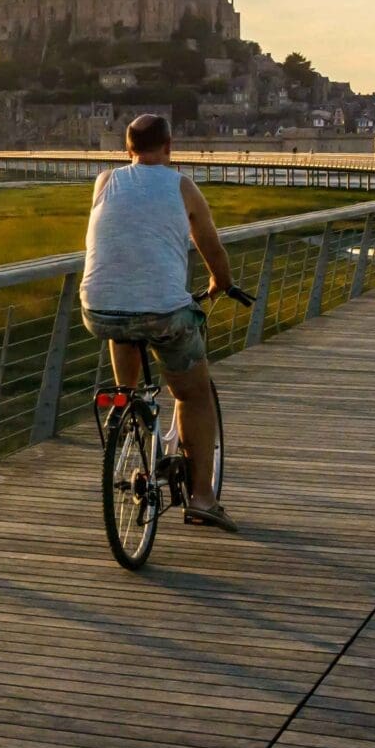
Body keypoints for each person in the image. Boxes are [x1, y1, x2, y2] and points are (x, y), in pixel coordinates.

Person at [81, 114, 240, 530]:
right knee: (193, 395)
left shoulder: (104, 181)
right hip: (164, 312)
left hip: (98, 308)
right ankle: (202, 498)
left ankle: (127, 403)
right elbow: (210, 245)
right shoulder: (182, 186)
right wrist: (221, 282)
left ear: (127, 150)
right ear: (170, 146)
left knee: (124, 321)